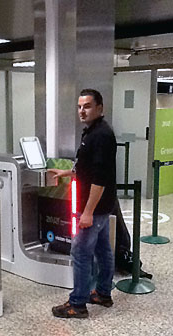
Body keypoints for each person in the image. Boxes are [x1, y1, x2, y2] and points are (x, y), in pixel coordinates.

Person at [50, 89, 117, 319]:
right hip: (101, 205)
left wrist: (87, 213)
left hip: (94, 207)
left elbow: (100, 178)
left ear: (100, 108)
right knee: (102, 249)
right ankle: (103, 293)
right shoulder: (92, 132)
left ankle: (77, 304)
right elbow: (87, 167)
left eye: (87, 106)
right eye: (79, 106)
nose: (82, 110)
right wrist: (67, 172)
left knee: (80, 251)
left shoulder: (101, 136)